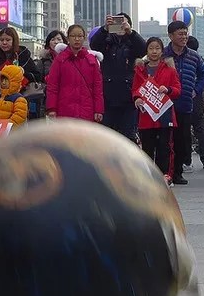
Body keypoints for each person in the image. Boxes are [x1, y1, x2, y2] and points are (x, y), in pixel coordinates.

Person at [162, 21, 204, 184]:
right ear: (170, 36)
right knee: (166, 140)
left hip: (185, 103)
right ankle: (165, 171)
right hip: (165, 104)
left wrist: (196, 90)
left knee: (182, 139)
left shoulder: (194, 56)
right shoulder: (163, 55)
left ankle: (178, 172)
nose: (184, 37)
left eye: (185, 33)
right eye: (180, 34)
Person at [90, 13, 146, 142]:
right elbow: (94, 45)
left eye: (124, 23)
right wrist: (104, 29)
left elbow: (144, 49)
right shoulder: (106, 42)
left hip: (128, 97)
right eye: (118, 22)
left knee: (128, 137)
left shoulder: (132, 43)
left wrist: (131, 33)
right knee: (106, 137)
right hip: (108, 96)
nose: (121, 25)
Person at [132, 37, 181, 180]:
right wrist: (137, 98)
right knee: (147, 148)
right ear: (146, 51)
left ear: (162, 51)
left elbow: (178, 90)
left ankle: (164, 175)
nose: (154, 51)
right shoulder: (140, 70)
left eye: (157, 48)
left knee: (164, 147)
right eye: (151, 48)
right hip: (146, 116)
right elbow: (135, 89)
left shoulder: (170, 69)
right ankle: (148, 177)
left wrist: (168, 89)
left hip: (164, 114)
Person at [45, 24, 104, 123]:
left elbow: (97, 88)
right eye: (73, 36)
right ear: (68, 38)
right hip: (64, 111)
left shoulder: (91, 60)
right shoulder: (60, 59)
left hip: (86, 111)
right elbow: (52, 85)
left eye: (80, 36)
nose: (77, 39)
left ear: (84, 38)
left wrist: (98, 110)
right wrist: (51, 108)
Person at [185, 36, 204, 170]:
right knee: (201, 128)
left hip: (185, 95)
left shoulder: (185, 60)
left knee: (184, 129)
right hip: (200, 97)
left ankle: (186, 160)